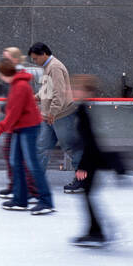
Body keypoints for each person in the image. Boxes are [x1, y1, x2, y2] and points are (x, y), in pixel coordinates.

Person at [0, 55, 54, 213]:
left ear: (4, 73)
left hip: (28, 128)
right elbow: (14, 111)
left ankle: (46, 201)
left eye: (0, 73)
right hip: (20, 128)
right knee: (16, 162)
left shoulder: (20, 86)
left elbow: (14, 113)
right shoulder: (16, 84)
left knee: (32, 165)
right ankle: (20, 199)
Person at [69, 75, 125, 247]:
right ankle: (96, 231)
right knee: (88, 195)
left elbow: (90, 142)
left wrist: (83, 166)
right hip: (91, 160)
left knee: (88, 195)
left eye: (76, 88)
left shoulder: (83, 112)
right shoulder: (82, 110)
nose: (72, 91)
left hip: (91, 161)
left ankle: (97, 231)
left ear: (86, 92)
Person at [29, 41, 81, 193]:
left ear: (43, 54)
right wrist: (37, 97)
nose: (34, 62)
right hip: (49, 117)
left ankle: (82, 179)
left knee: (71, 148)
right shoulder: (48, 67)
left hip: (61, 116)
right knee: (41, 147)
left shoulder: (55, 67)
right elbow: (47, 90)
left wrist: (53, 112)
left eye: (35, 59)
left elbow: (59, 93)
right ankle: (36, 181)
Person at [0, 46, 39, 203]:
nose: (3, 61)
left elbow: (18, 102)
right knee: (14, 156)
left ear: (14, 59)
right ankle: (18, 187)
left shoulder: (19, 77)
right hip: (18, 123)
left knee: (21, 159)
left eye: (6, 58)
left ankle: (30, 190)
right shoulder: (15, 74)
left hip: (22, 124)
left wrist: (1, 123)